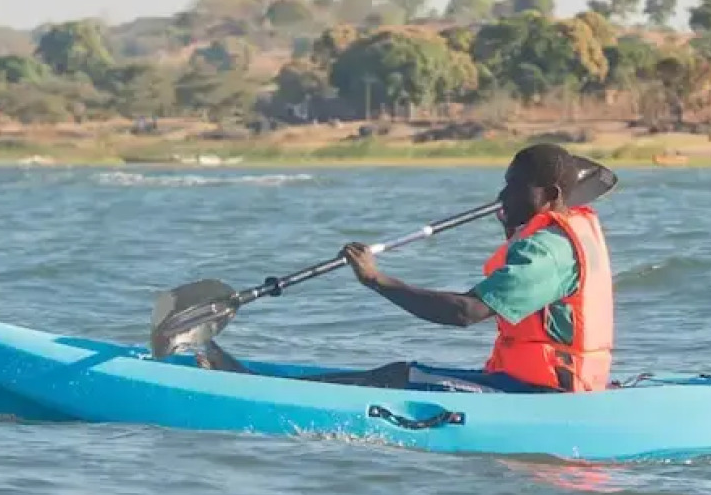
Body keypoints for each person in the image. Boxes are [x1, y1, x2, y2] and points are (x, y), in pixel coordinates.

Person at [194, 142, 614, 394]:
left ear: (551, 194)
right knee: (398, 373)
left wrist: (377, 280)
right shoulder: (561, 235)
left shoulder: (546, 249)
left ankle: (256, 391)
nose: (501, 194)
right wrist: (514, 224)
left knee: (400, 377)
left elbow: (465, 313)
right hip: (548, 383)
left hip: (538, 394)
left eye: (513, 186)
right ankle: (266, 383)